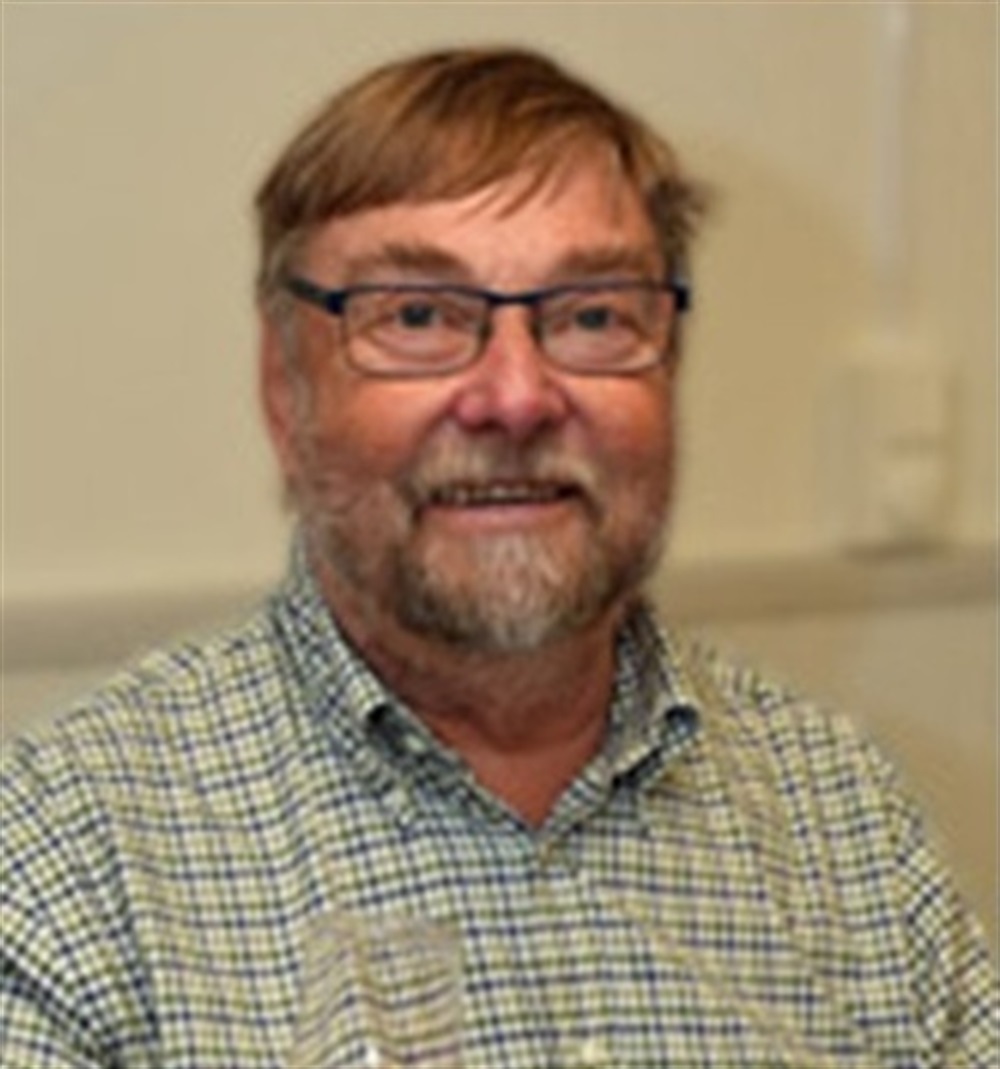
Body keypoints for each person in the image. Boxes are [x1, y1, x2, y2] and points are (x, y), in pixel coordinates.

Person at [1, 46, 996, 1069]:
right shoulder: (66, 868)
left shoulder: (844, 818)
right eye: (418, 316)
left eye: (593, 314)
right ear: (283, 389)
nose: (517, 397)